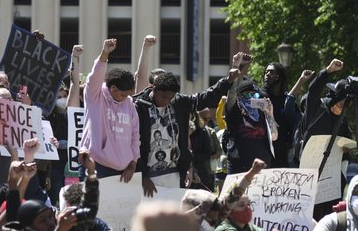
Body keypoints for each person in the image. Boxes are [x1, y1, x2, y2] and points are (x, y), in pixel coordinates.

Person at [136, 67, 235, 195]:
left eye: (169, 98)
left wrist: (227, 81)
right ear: (154, 89)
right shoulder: (138, 106)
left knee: (172, 213)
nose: (166, 101)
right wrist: (142, 176)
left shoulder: (179, 102)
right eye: (163, 97)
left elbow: (205, 97)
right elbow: (133, 144)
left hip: (174, 173)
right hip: (147, 174)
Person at [79, 38, 139, 181]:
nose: (126, 98)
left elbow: (135, 135)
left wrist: (133, 162)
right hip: (96, 165)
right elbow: (95, 77)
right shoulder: (95, 96)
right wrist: (105, 54)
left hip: (124, 170)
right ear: (112, 88)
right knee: (93, 203)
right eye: (123, 94)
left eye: (128, 95)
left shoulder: (129, 103)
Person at [223, 53, 278, 174]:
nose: (252, 98)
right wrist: (237, 66)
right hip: (239, 168)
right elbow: (231, 93)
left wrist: (270, 113)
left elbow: (274, 136)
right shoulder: (234, 111)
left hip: (261, 168)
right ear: (239, 97)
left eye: (255, 95)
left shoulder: (262, 113)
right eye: (247, 95)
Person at [262, 62, 309, 168]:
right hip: (264, 151)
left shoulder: (285, 99)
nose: (268, 74)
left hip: (284, 154)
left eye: (271, 72)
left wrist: (302, 80)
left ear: (279, 76)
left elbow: (294, 118)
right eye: (266, 72)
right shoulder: (261, 97)